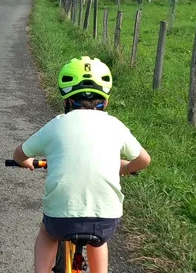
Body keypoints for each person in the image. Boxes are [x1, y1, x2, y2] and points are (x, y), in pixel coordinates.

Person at [12, 56, 151, 273]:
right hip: (105, 218)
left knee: (47, 235)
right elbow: (144, 160)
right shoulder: (115, 125)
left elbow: (19, 154)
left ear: (66, 101)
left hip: (60, 219)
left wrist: (28, 162)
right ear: (105, 101)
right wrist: (124, 168)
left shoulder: (56, 125)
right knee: (99, 241)